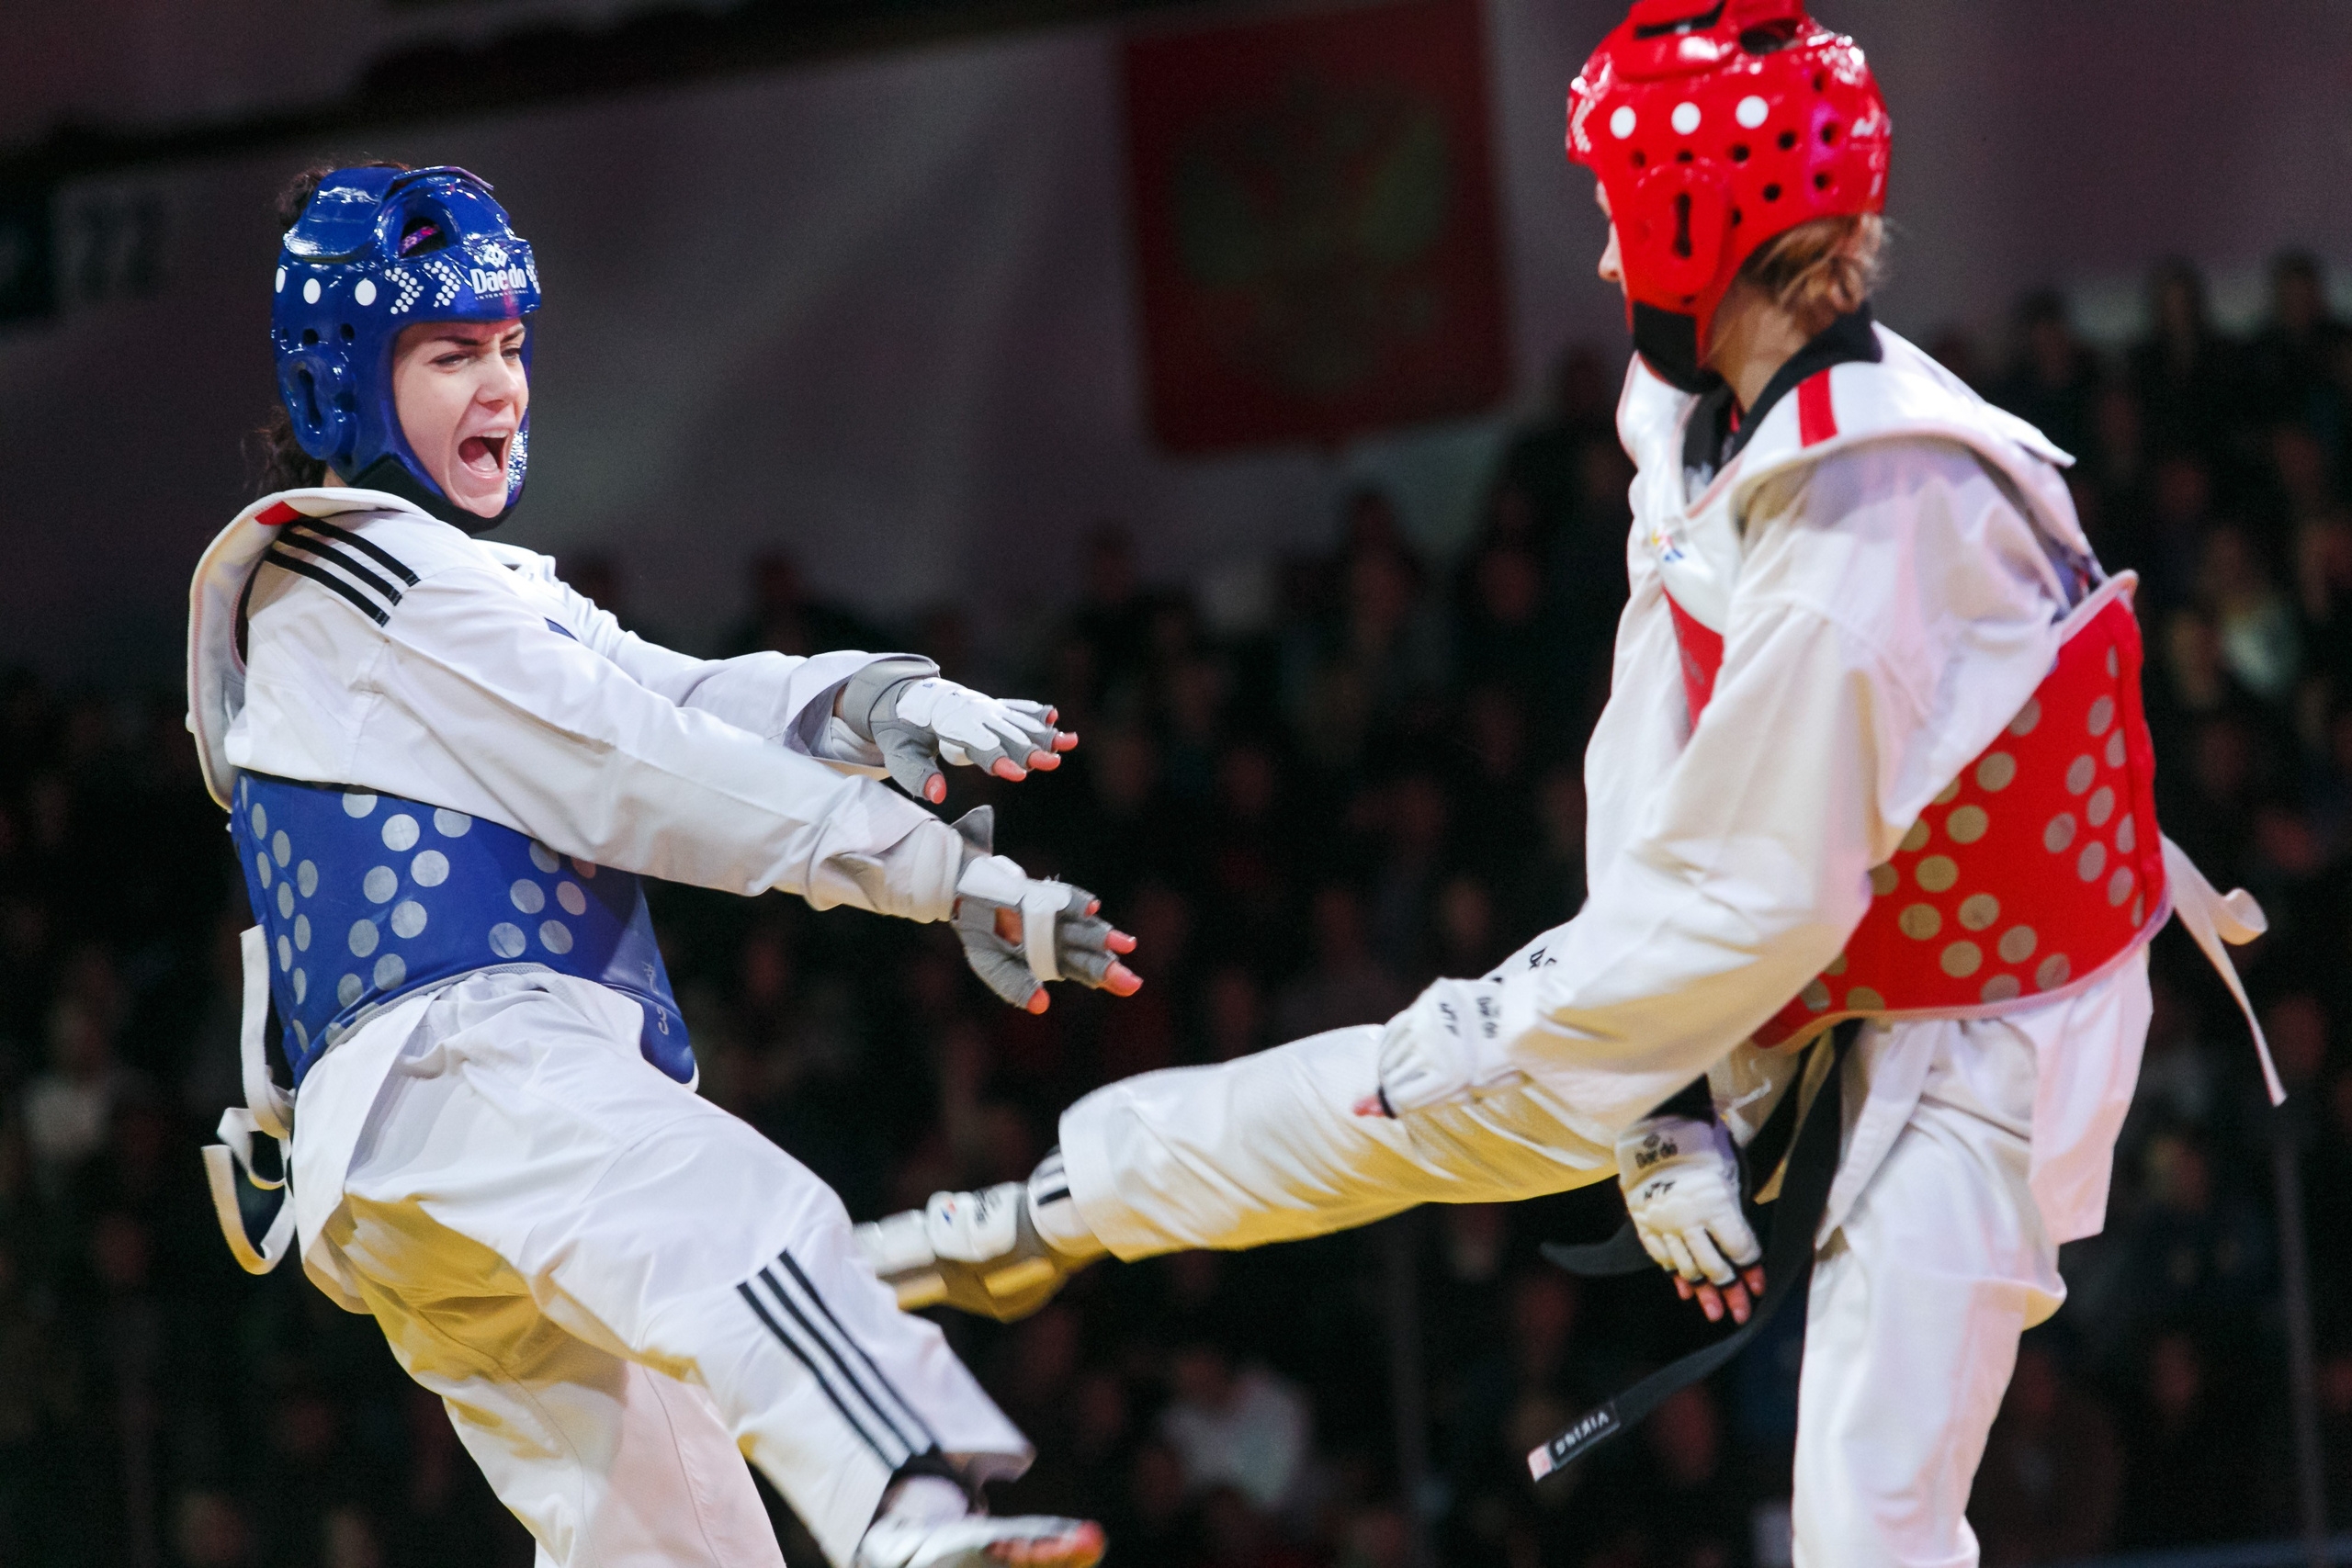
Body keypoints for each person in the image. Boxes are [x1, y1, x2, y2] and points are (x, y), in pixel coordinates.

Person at [858, 4, 2276, 1562]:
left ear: (1699, 228)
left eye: (1618, 216)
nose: (1603, 261)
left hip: (1987, 1015)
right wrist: (1658, 1100)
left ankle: (1064, 1211)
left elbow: (1760, 900)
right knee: (1400, 1085)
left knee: (1872, 1512)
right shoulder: (1697, 420)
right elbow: (1658, 718)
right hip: (1794, 932)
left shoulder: (1875, 526)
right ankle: (1048, 1215)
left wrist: (1586, 1051)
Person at [192, 163, 1142, 1568]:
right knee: (741, 1223)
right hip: (469, 1073)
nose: (501, 387)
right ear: (341, 378)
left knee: (675, 1543)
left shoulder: (436, 589)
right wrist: (941, 878)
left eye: (512, 346)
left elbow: (668, 692)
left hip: (415, 1162)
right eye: (450, 354)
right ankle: (914, 1506)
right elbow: (632, 759)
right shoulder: (355, 575)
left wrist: (870, 702)